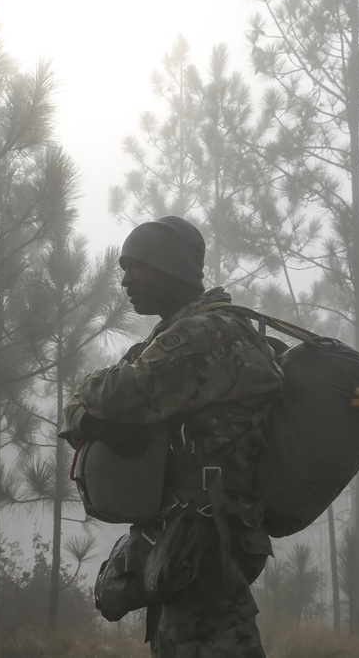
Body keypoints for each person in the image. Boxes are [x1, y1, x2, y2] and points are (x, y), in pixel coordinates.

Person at [59, 215, 283, 657]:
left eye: (134, 266)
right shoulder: (167, 340)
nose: (124, 280)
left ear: (169, 268)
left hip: (208, 536)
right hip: (182, 531)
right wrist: (93, 422)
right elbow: (76, 411)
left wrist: (92, 393)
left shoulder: (206, 335)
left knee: (210, 645)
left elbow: (122, 393)